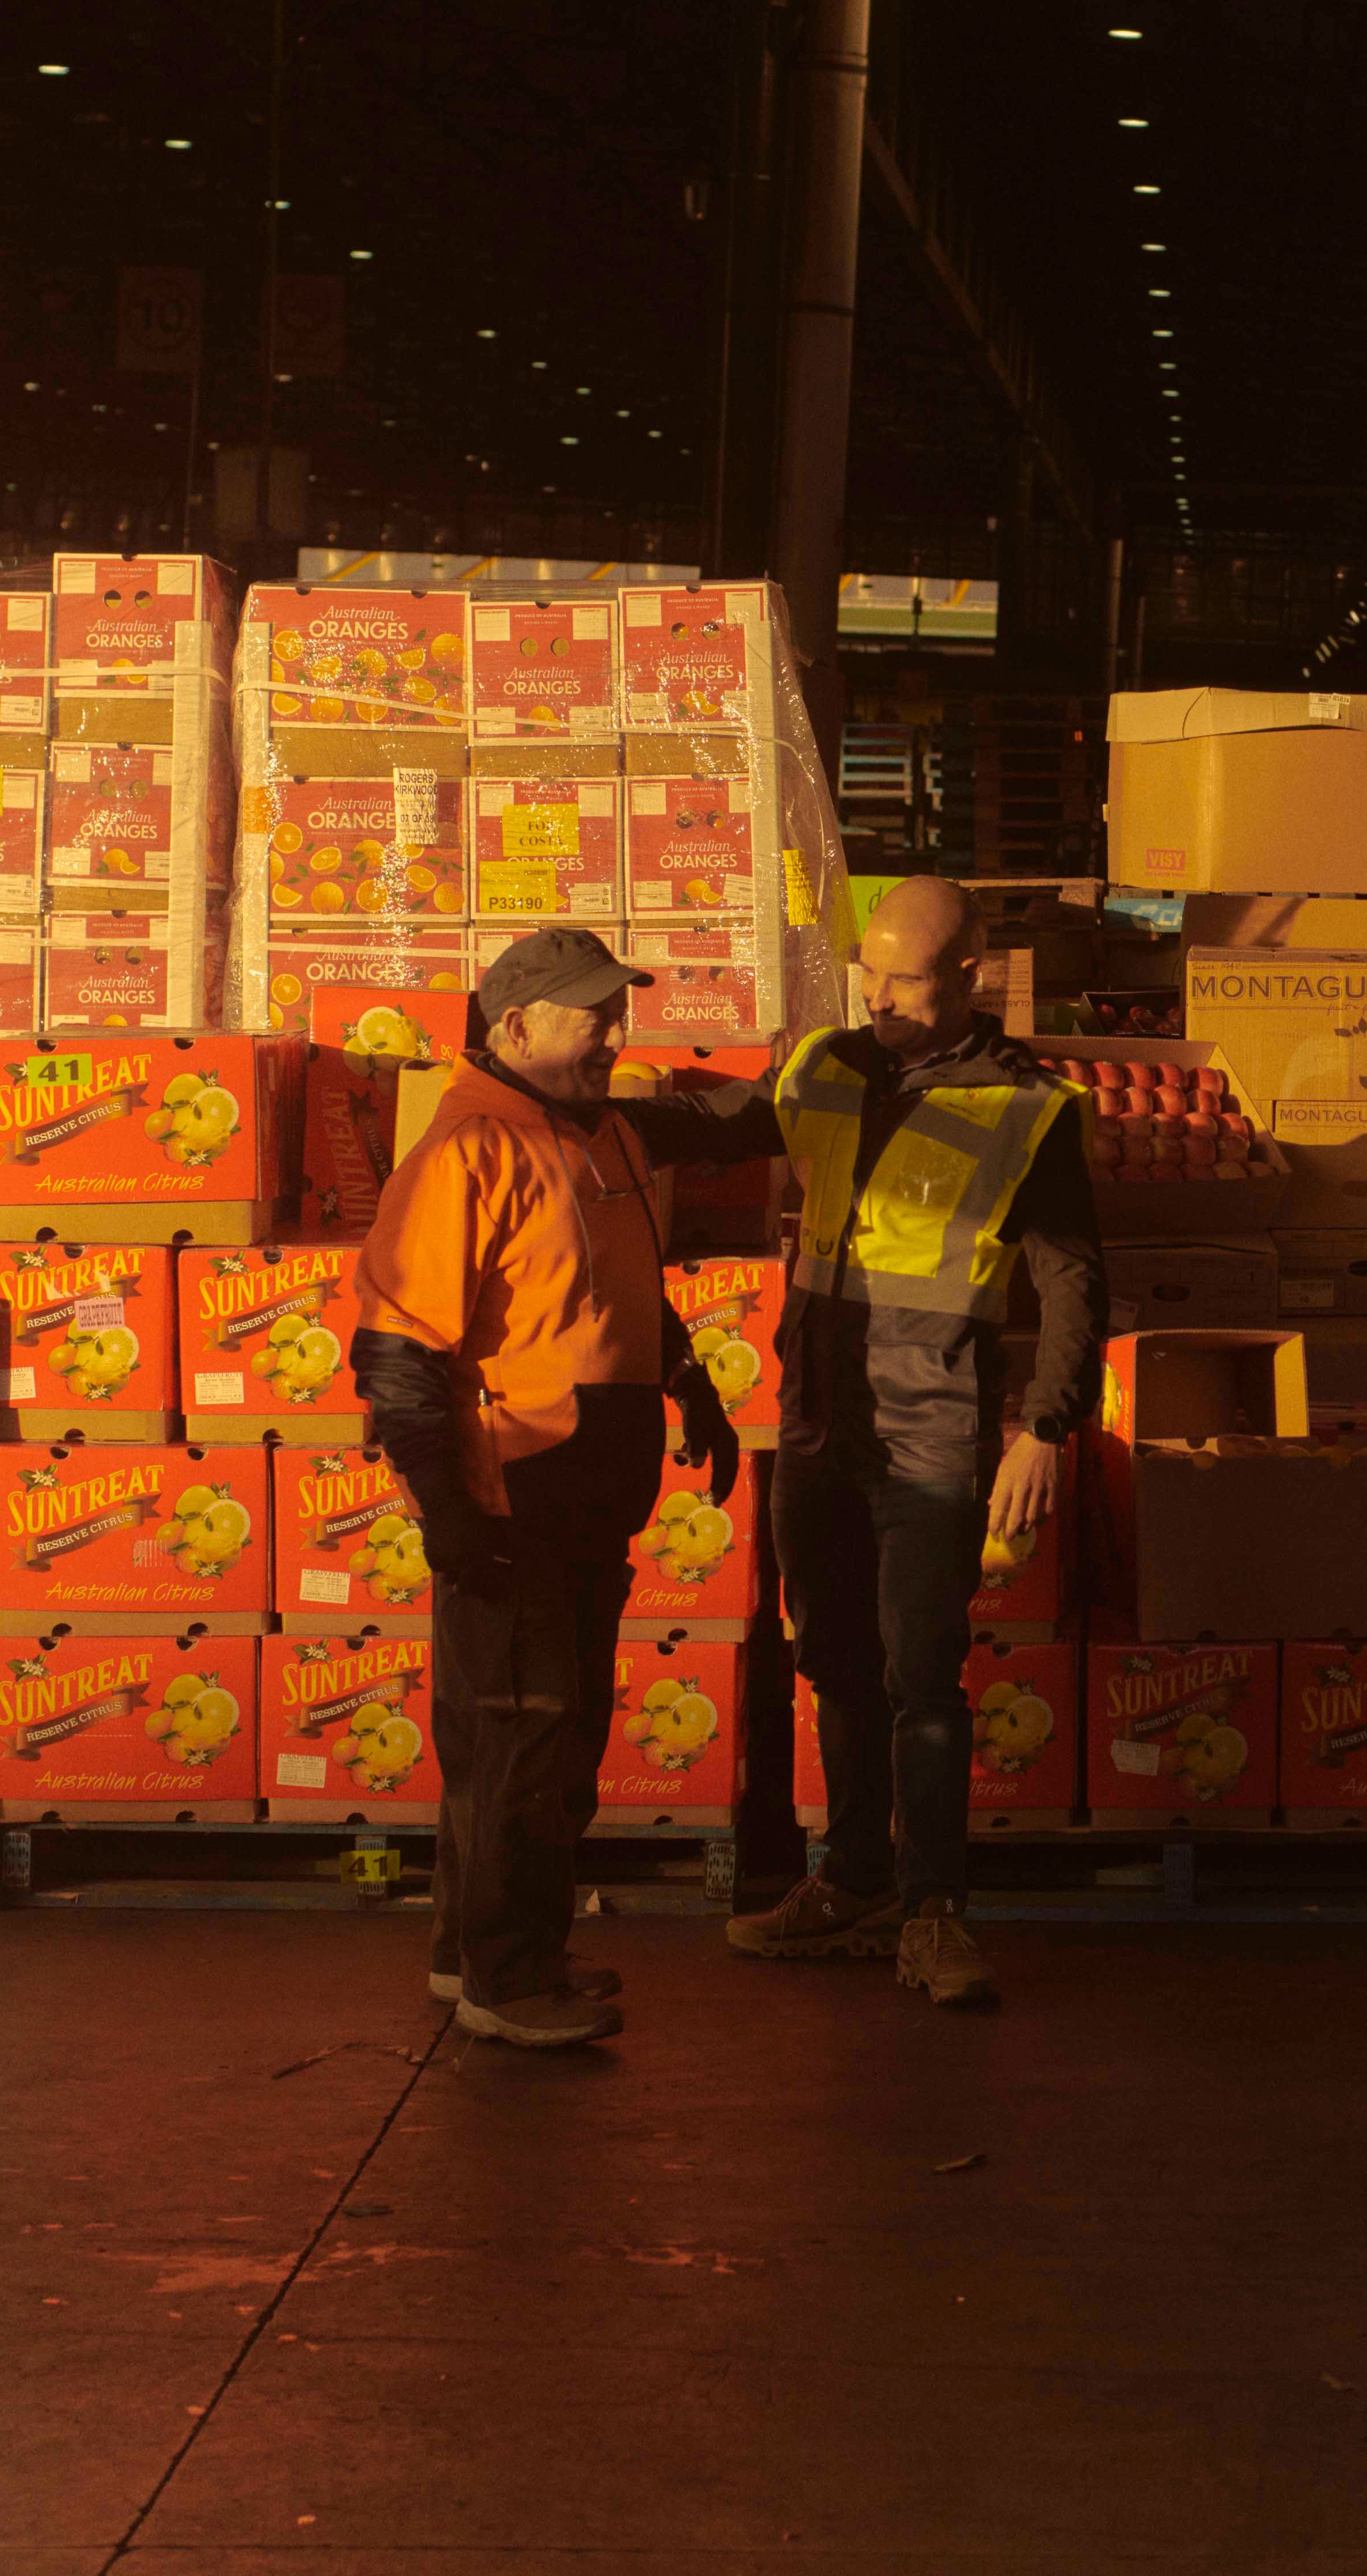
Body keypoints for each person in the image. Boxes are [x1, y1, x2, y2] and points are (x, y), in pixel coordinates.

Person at [660, 875, 1105, 2012]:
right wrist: (574, 1098)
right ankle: (850, 1879)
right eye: (872, 971)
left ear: (970, 978)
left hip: (932, 1434)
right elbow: (720, 1123)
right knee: (835, 1663)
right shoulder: (827, 1063)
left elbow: (1071, 1283)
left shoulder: (1024, 1106)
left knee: (925, 1678)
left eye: (906, 978)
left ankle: (935, 1911)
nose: (881, 994)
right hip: (818, 1425)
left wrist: (1045, 1426)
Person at [354, 925, 734, 2050]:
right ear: (511, 1025)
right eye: (589, 1013)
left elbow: (612, 1294)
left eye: (618, 1011)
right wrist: (449, 1509)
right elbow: (397, 1350)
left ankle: (471, 1949)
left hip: (587, 1486)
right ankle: (511, 1981)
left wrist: (689, 1381)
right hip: (514, 1489)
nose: (614, 1033)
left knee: (513, 1738)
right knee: (528, 1738)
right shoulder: (467, 1150)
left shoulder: (596, 1133)